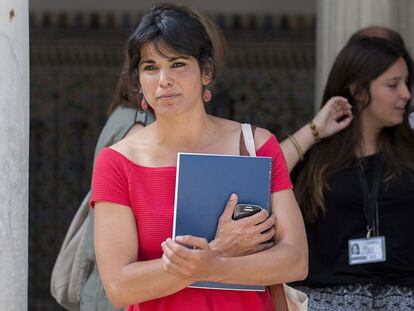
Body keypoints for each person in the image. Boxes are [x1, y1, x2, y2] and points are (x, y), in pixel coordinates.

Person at [90, 4, 308, 310]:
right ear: (138, 81)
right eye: (150, 67)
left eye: (177, 64)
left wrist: (212, 264)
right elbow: (119, 287)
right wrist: (219, 249)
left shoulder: (255, 146)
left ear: (206, 72)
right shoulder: (117, 162)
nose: (163, 79)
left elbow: (296, 260)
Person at [291, 36, 414, 310]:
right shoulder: (316, 157)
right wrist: (314, 130)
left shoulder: (409, 151)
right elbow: (263, 173)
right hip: (329, 300)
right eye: (393, 85)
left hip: (404, 298)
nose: (405, 93)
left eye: (407, 83)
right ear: (358, 91)